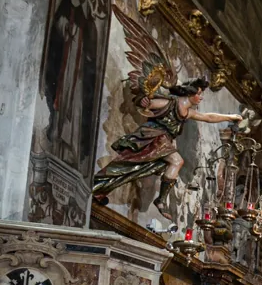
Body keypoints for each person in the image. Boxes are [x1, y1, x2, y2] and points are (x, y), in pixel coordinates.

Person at [93, 78, 242, 216]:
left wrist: (230, 117)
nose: (201, 97)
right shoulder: (169, 102)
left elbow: (208, 117)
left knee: (130, 168)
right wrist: (144, 101)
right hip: (152, 137)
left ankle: (100, 188)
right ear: (190, 93)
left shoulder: (187, 112)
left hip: (162, 142)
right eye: (199, 94)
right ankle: (160, 200)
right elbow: (147, 103)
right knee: (171, 162)